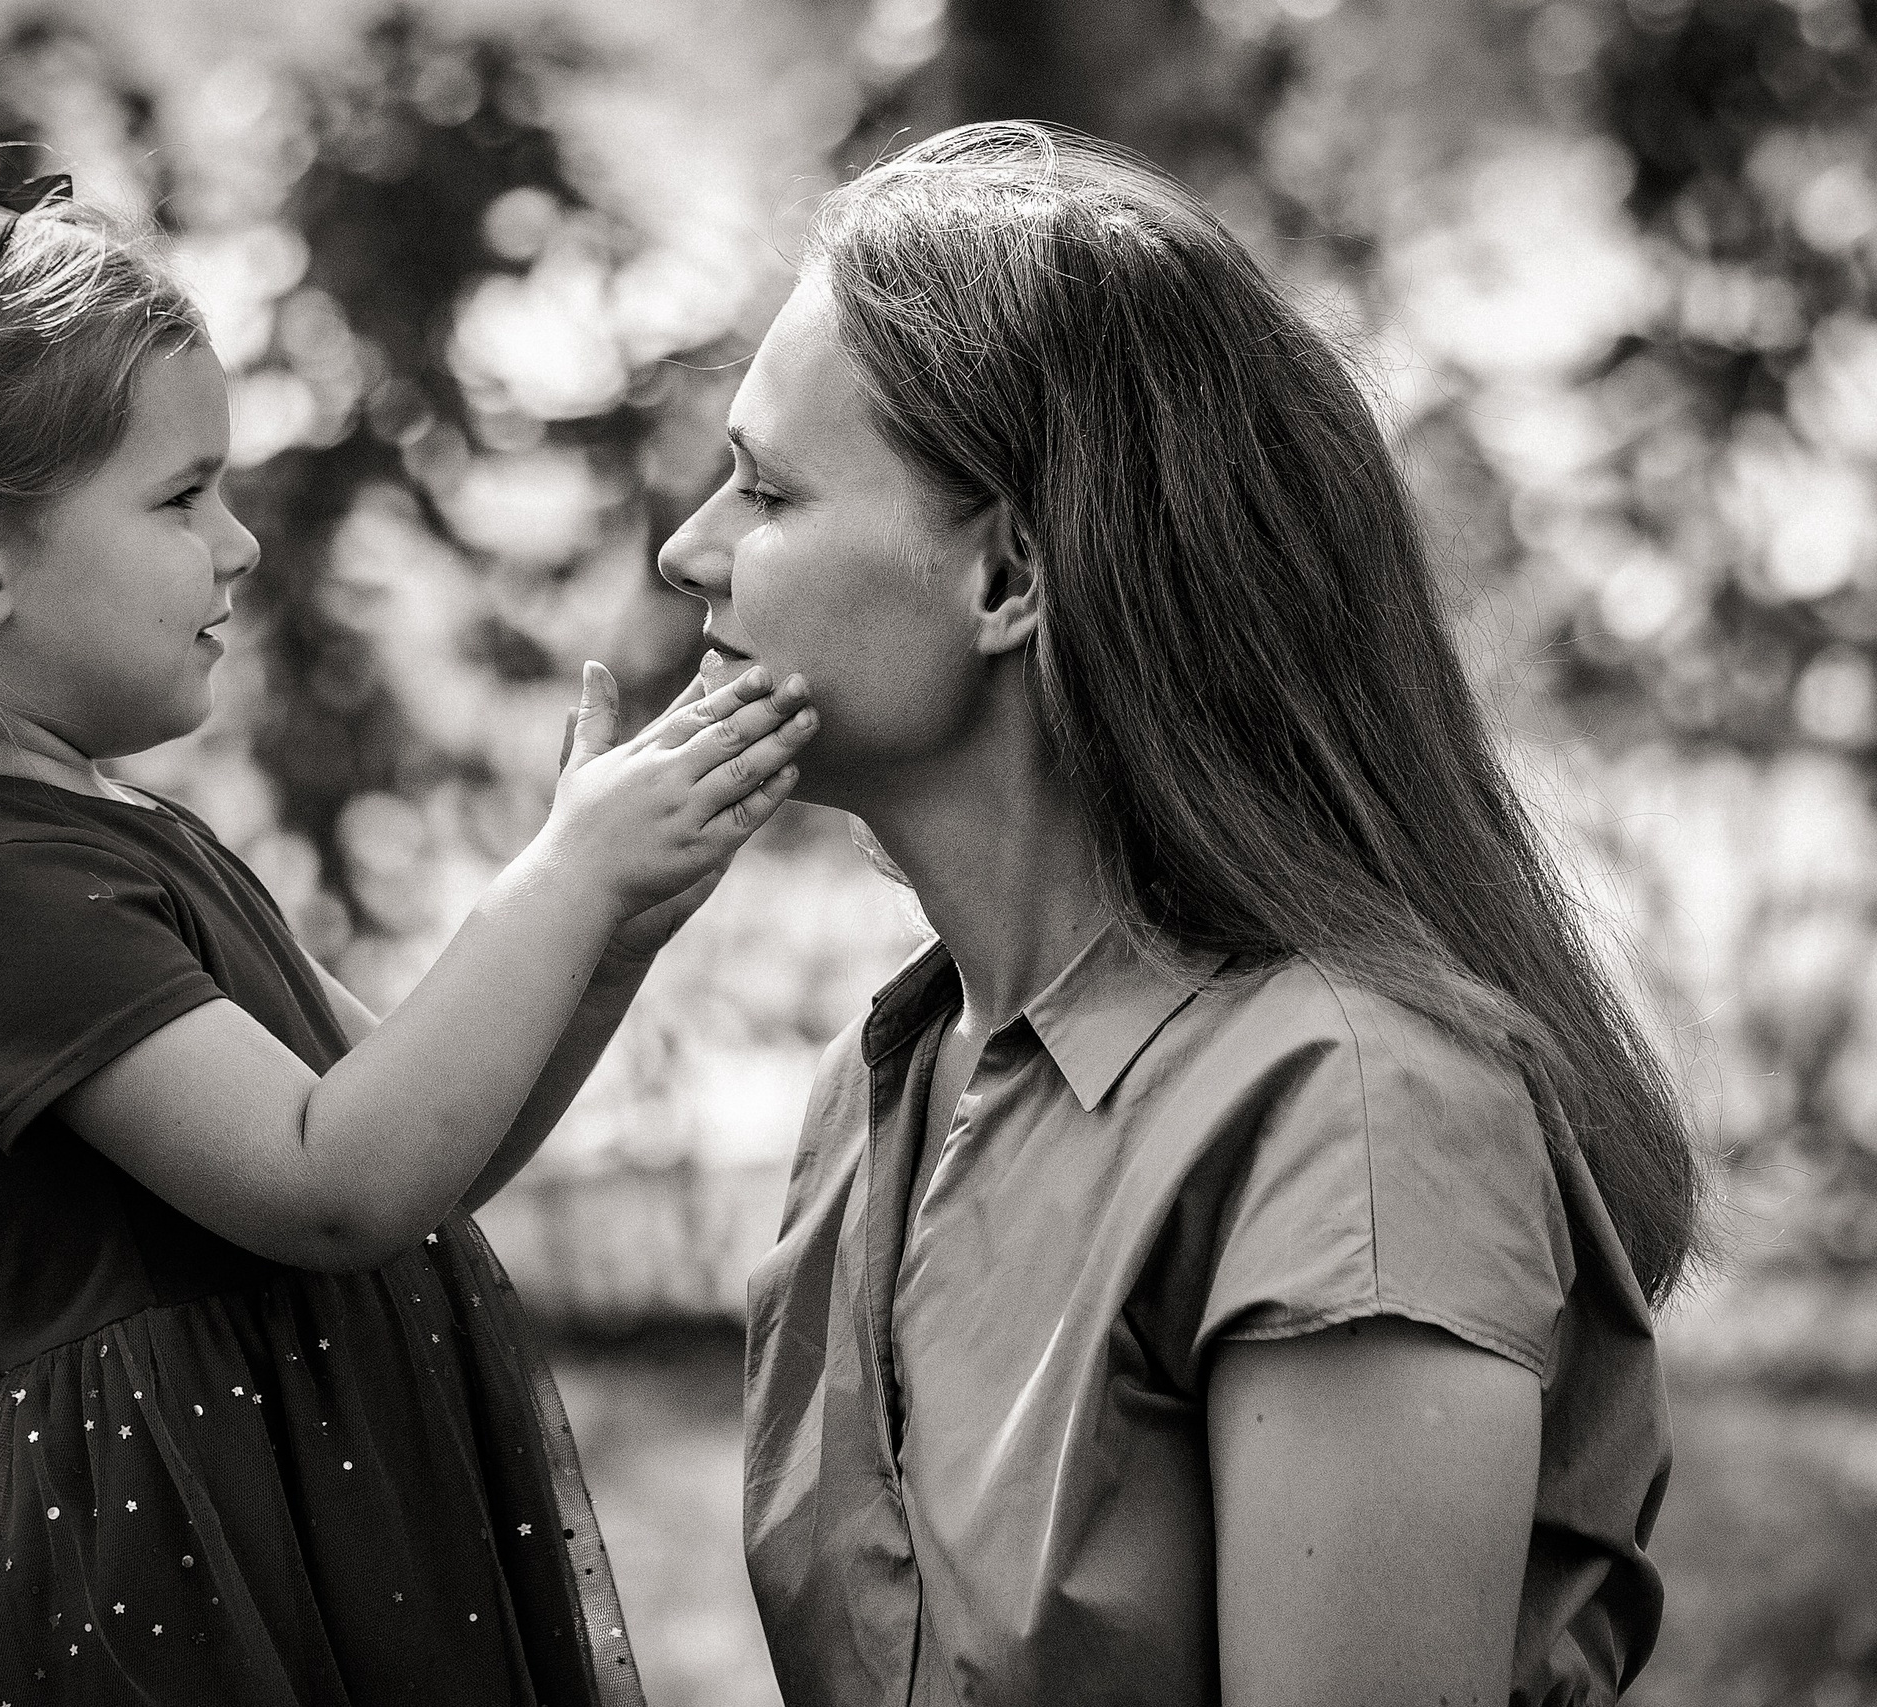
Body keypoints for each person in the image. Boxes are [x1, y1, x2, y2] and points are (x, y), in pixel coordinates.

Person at [0, 138, 818, 1707]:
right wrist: (564, 880)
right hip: (174, 1584)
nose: (240, 543)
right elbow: (336, 1181)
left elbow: (425, 1144)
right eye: (186, 495)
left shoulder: (101, 828)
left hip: (297, 1510)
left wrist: (613, 935)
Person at [660, 123, 1703, 1707]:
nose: (691, 553)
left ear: (1010, 574)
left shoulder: (1354, 1115)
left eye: (763, 488)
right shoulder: (877, 1093)